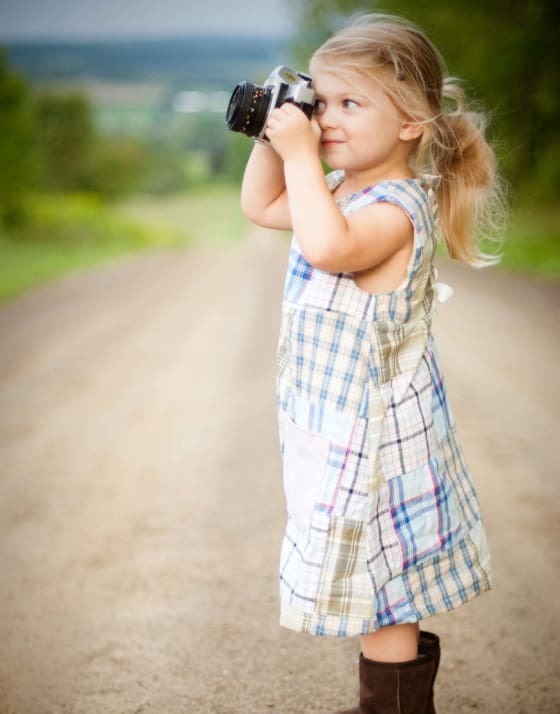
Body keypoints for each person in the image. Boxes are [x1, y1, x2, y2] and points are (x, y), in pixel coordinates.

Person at [240, 13, 503, 714]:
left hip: (383, 441)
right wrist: (276, 133)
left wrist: (301, 156)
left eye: (350, 104)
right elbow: (262, 203)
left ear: (412, 123)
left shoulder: (398, 208)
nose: (326, 120)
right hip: (341, 429)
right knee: (372, 576)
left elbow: (328, 247)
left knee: (387, 586)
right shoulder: (339, 189)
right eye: (320, 102)